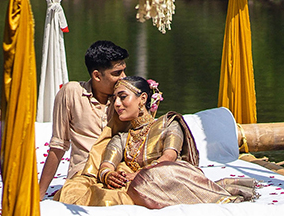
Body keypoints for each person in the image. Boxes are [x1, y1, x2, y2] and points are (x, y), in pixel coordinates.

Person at [57, 76, 258, 208]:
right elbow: (107, 163)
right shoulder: (121, 137)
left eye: (123, 97)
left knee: (157, 175)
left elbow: (168, 157)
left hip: (167, 177)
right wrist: (108, 175)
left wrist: (139, 174)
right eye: (114, 100)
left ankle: (217, 197)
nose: (117, 104)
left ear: (142, 98)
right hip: (136, 184)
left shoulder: (168, 124)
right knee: (90, 191)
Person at [38, 40, 128, 199]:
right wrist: (39, 194)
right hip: (84, 174)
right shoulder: (72, 93)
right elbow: (58, 145)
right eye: (117, 73)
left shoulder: (125, 97)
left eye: (124, 71)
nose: (123, 77)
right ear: (97, 75)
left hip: (119, 173)